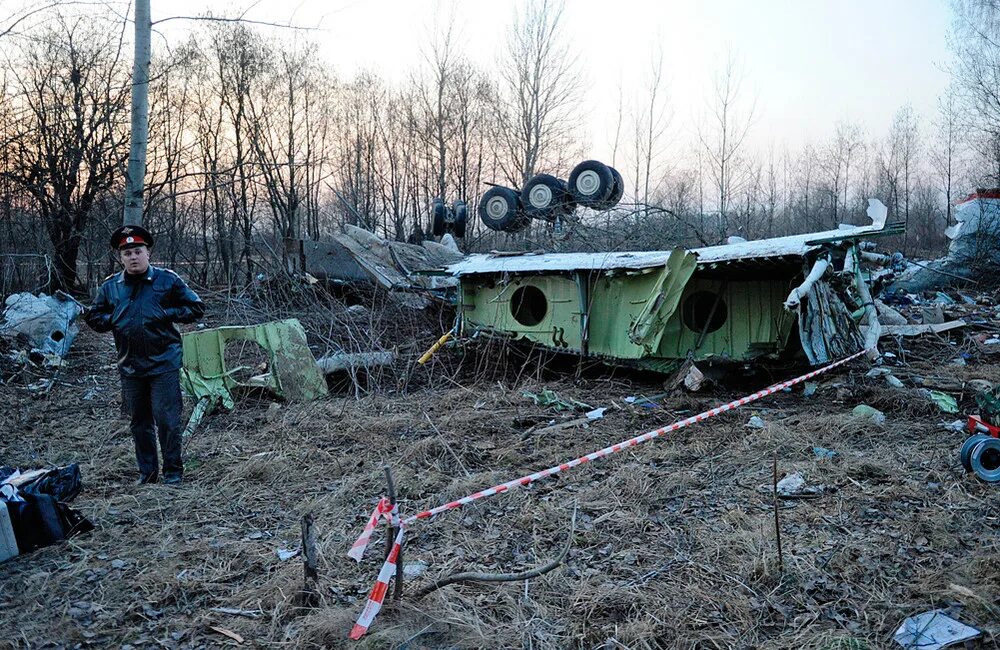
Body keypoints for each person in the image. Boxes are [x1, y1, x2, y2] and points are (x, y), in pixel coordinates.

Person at [84, 225, 205, 485]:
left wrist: (167, 313)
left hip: (163, 362)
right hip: (130, 366)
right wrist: (112, 318)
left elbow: (196, 307)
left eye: (138, 251)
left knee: (168, 421)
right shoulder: (111, 287)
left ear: (148, 253)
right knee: (139, 423)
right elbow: (95, 317)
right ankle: (147, 473)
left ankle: (173, 472)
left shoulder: (167, 280)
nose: (133, 257)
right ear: (121, 258)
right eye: (127, 253)